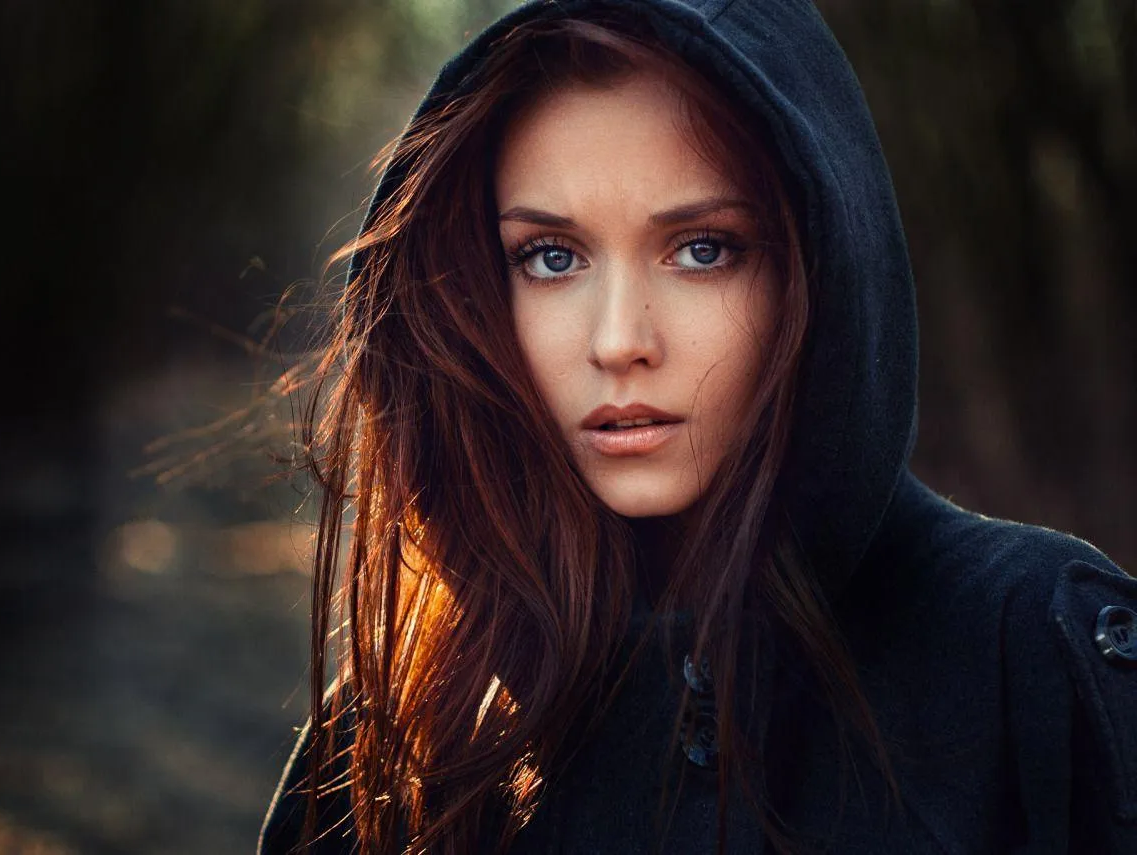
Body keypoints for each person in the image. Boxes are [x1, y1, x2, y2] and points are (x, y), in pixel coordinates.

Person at [257, 1, 1137, 853]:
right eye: (552, 257)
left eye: (703, 249)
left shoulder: (1027, 653)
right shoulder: (403, 731)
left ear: (822, 262)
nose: (619, 342)